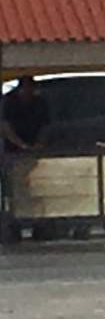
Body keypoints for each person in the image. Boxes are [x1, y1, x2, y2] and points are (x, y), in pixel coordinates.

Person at [1, 77, 51, 233]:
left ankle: (35, 220)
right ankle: (17, 219)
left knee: (30, 183)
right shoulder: (8, 102)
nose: (29, 92)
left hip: (34, 151)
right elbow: (5, 126)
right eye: (26, 88)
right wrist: (21, 145)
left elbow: (45, 126)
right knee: (16, 184)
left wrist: (38, 145)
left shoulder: (39, 103)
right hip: (13, 152)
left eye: (31, 89)